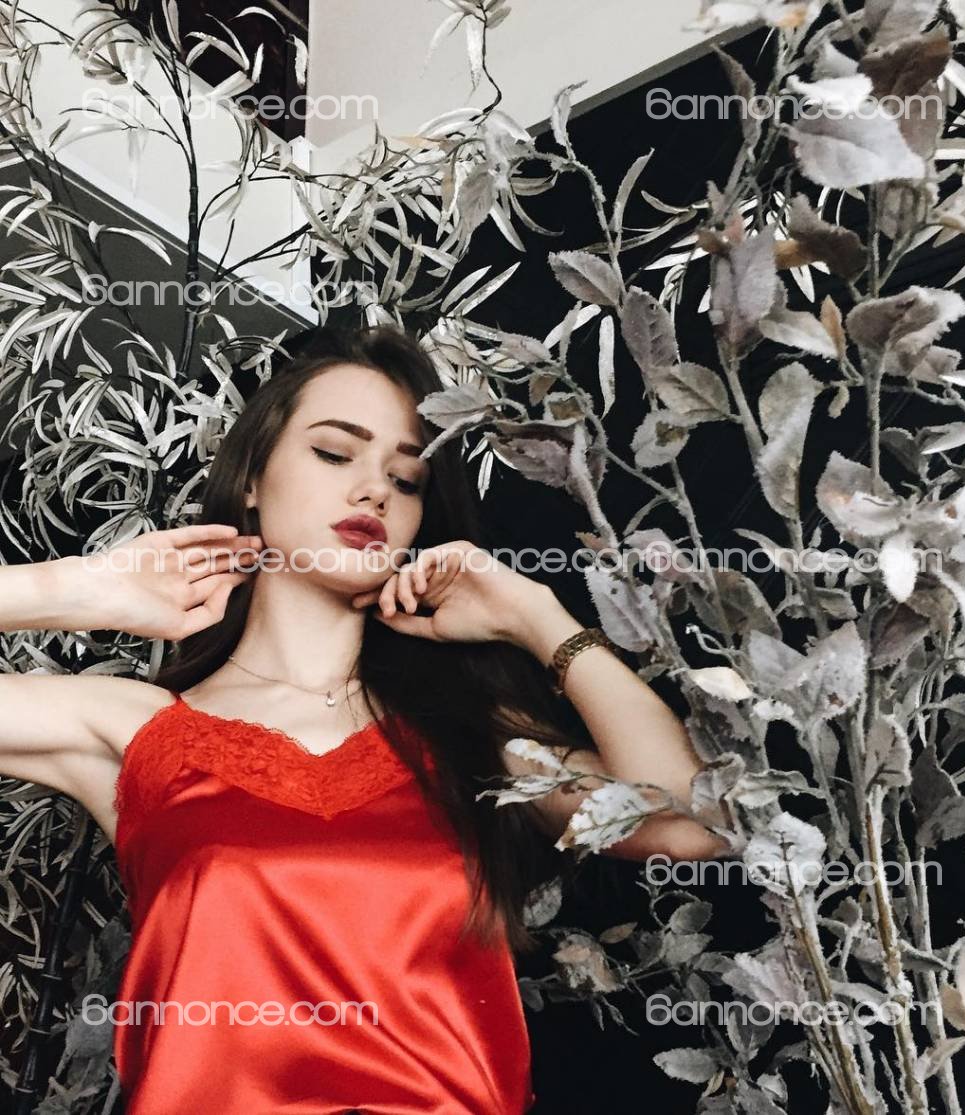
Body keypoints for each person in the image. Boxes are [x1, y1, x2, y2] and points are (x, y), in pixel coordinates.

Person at [0, 324, 725, 1113]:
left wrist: (535, 616)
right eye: (334, 452)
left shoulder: (471, 735)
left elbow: (692, 821)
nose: (374, 490)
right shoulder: (136, 732)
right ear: (251, 476)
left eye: (406, 479)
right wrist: (74, 590)